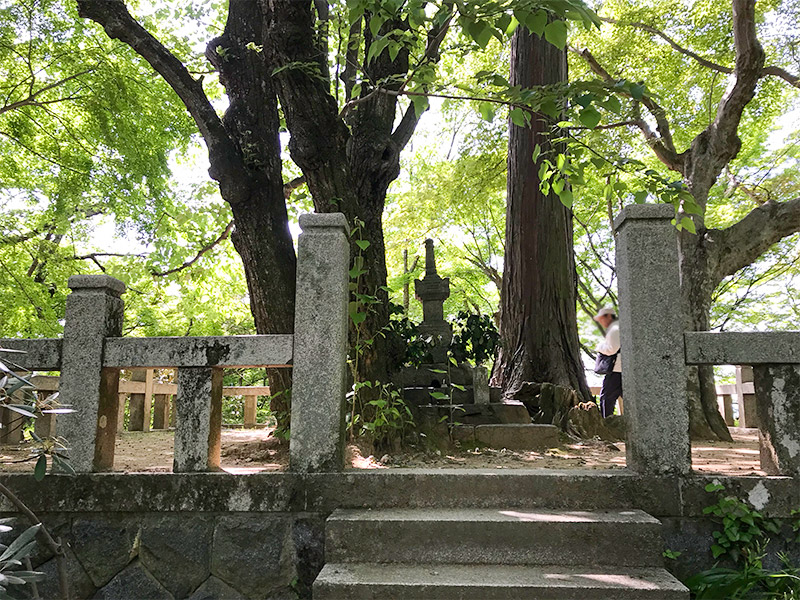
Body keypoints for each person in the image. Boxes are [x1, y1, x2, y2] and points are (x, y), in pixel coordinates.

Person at [594, 306, 622, 418]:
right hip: (621, 370)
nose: (601, 322)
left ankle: (607, 423)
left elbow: (612, 349)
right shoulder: (618, 327)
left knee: (606, 398)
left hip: (616, 369)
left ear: (609, 316)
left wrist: (599, 346)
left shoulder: (614, 329)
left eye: (602, 318)